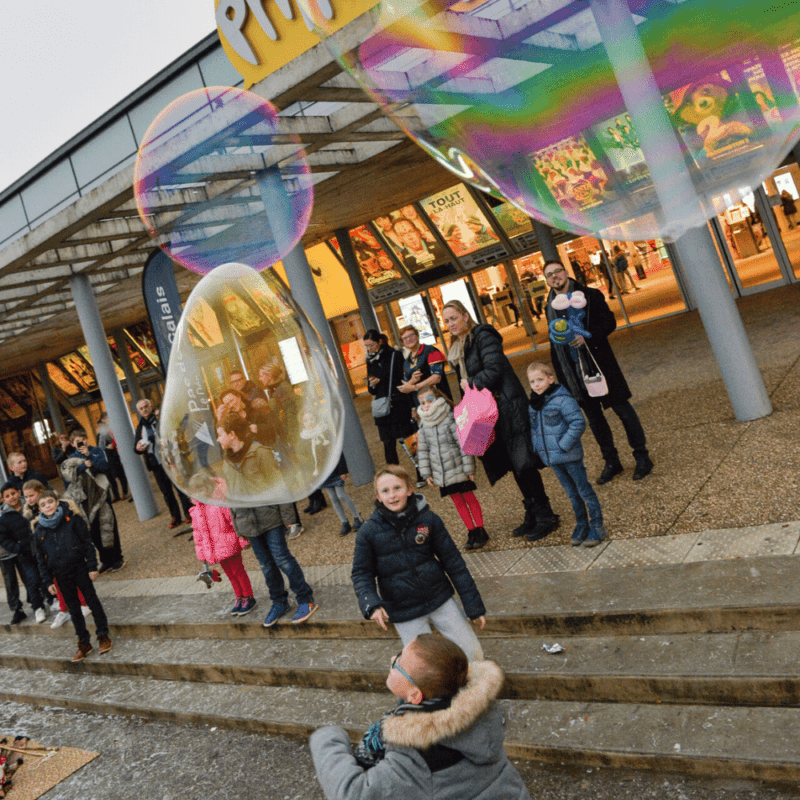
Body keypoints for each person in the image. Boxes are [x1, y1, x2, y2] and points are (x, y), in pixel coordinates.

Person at [310, 634, 531, 800]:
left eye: (398, 663)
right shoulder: (480, 712)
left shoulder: (418, 755)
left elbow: (352, 793)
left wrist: (327, 738)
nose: (392, 659)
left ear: (415, 695)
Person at [442, 300, 559, 541]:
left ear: (465, 316)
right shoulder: (459, 347)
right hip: (489, 413)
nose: (450, 324)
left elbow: (494, 369)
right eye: (446, 321)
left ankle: (546, 515)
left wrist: (470, 382)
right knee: (513, 464)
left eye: (453, 318)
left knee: (524, 463)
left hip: (507, 407)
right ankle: (531, 511)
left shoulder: (483, 335)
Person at [352, 465, 485, 662]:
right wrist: (371, 603)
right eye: (385, 491)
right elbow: (361, 573)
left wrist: (473, 605)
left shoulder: (429, 519)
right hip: (403, 609)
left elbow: (453, 562)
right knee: (425, 665)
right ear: (378, 497)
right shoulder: (367, 532)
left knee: (472, 654)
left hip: (439, 597)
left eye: (397, 488)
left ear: (409, 489)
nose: (392, 495)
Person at [544, 260, 653, 483]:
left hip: (600, 364)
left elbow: (609, 322)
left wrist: (587, 336)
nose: (554, 276)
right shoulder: (550, 306)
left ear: (566, 272)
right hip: (574, 373)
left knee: (623, 410)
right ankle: (611, 461)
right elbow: (554, 341)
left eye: (557, 271)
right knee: (595, 420)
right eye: (549, 275)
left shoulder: (590, 295)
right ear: (547, 281)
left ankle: (642, 456)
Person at [527, 362, 607, 547]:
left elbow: (578, 422)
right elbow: (534, 429)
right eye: (532, 381)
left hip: (569, 456)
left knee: (584, 491)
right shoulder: (534, 404)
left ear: (550, 379)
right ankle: (582, 523)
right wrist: (539, 448)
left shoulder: (562, 399)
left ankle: (597, 525)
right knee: (571, 493)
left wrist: (563, 445)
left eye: (540, 380)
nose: (536, 385)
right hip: (553, 459)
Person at [32, 489, 112, 662]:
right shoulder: (39, 531)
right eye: (43, 504)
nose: (48, 506)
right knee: (74, 609)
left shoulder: (73, 519)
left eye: (50, 502)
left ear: (57, 502)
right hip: (60, 574)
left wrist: (92, 566)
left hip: (79, 568)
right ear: (39, 509)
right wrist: (47, 581)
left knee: (92, 601)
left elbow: (87, 544)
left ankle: (103, 634)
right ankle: (84, 642)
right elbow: (40, 559)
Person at [416, 387, 487, 551]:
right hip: (442, 473)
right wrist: (426, 473)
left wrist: (469, 468)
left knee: (469, 497)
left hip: (458, 468)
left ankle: (480, 529)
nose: (426, 405)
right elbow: (423, 451)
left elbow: (463, 444)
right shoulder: (423, 425)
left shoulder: (449, 418)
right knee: (457, 501)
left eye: (429, 401)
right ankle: (471, 530)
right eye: (422, 403)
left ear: (438, 399)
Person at [23, 480, 92, 629]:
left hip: (66, 551)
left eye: (31, 495)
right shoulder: (30, 513)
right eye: (26, 497)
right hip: (48, 553)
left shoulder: (60, 507)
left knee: (74, 578)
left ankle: (84, 603)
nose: (29, 499)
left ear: (41, 492)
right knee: (56, 582)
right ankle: (64, 608)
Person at [188, 476, 256, 616]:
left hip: (229, 544)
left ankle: (248, 596)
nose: (199, 493)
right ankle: (239, 596)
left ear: (208, 488)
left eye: (202, 489)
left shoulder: (219, 503)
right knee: (230, 574)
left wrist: (242, 539)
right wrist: (202, 553)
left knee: (238, 571)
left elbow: (233, 522)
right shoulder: (196, 512)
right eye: (196, 490)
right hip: (216, 550)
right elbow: (198, 534)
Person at [61, 429, 125, 574]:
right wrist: (84, 465)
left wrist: (89, 455)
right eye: (78, 441)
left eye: (83, 439)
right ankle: (106, 560)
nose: (82, 442)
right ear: (72, 444)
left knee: (108, 527)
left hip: (101, 497)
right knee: (94, 532)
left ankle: (117, 558)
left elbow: (104, 467)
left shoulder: (96, 451)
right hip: (84, 501)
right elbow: (69, 478)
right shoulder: (70, 459)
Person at [134, 398, 192, 528]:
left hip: (170, 460)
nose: (144, 410)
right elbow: (136, 447)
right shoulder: (141, 427)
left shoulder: (160, 419)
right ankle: (175, 516)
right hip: (156, 464)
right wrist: (138, 448)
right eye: (141, 409)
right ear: (139, 411)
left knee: (180, 487)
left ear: (150, 406)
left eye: (146, 406)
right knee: (166, 492)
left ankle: (188, 512)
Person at [364, 330, 418, 468]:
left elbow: (401, 379)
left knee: (410, 439)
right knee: (388, 443)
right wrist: (373, 384)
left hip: (399, 403)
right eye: (367, 346)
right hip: (383, 407)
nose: (369, 349)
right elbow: (371, 390)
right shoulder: (369, 360)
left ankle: (422, 472)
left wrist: (413, 406)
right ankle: (394, 474)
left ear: (379, 342)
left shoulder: (394, 355)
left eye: (371, 345)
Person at [0, 483, 47, 625]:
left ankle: (37, 602)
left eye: (13, 494)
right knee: (11, 582)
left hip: (25, 550)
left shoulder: (27, 505)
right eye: (7, 496)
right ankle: (17, 609)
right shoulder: (3, 514)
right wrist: (16, 547)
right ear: (3, 498)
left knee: (30, 578)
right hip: (5, 553)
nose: (11, 497)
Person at [398, 325, 452, 404]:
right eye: (405, 338)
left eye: (411, 335)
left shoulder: (430, 351)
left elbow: (437, 378)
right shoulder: (406, 362)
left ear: (417, 336)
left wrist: (415, 387)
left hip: (438, 400)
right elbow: (406, 387)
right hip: (421, 404)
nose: (409, 339)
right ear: (403, 343)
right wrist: (412, 380)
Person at [319, 452, 364, 537]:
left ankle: (358, 517)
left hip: (336, 471)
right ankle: (344, 522)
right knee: (333, 498)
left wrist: (343, 470)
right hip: (324, 474)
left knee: (341, 495)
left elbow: (338, 452)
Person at [97, 413, 129, 503]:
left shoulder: (112, 429)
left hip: (116, 455)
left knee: (121, 475)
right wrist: (106, 447)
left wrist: (113, 445)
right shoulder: (100, 435)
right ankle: (116, 495)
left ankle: (125, 492)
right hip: (107, 458)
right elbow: (100, 447)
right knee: (111, 478)